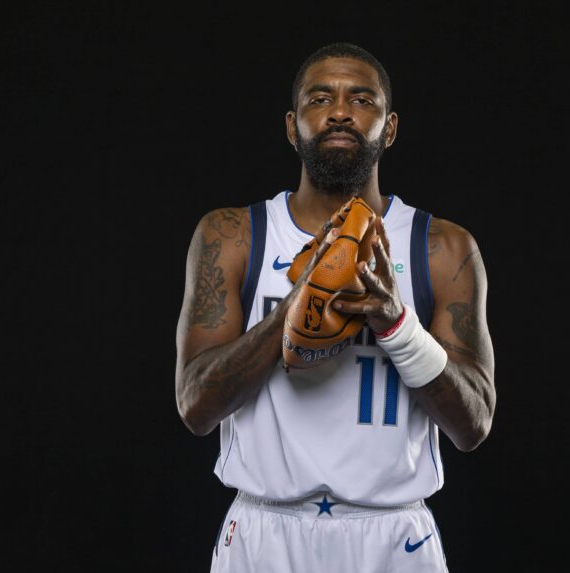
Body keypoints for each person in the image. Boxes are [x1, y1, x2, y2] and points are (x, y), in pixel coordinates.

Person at [175, 42, 495, 572]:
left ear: (389, 129)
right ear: (291, 125)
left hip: (392, 534)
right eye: (320, 98)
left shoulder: (442, 248)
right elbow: (195, 407)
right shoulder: (233, 236)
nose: (341, 111)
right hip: (264, 531)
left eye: (362, 99)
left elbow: (474, 423)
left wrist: (397, 325)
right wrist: (295, 312)